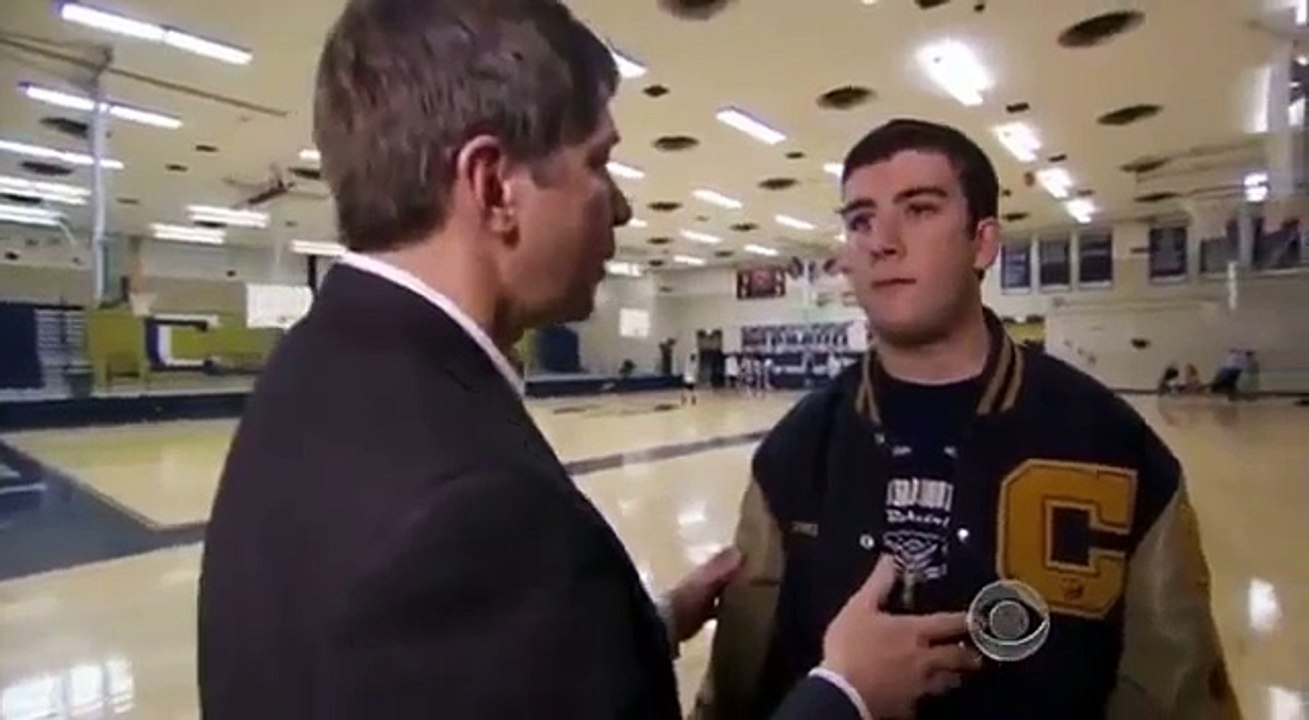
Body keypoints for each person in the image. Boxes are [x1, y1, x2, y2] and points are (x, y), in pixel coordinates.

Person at [197, 3, 974, 718]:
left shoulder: (313, 373)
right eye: (599, 163)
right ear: (493, 187)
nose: (623, 205)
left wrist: (630, 632)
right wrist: (845, 695)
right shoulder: (470, 509)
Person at [693, 119, 1238, 720]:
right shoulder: (794, 453)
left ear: (982, 243)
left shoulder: (1113, 446)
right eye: (861, 220)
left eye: (920, 209)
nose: (882, 242)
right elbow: (736, 687)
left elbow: (1177, 695)